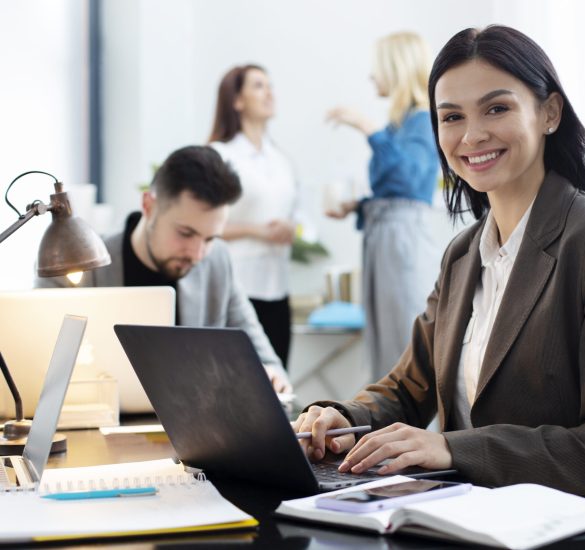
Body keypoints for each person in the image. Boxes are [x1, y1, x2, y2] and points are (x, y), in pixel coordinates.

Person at [295, 25, 585, 548]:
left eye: (496, 109)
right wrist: (340, 418)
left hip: (579, 533)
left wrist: (454, 449)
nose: (471, 135)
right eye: (452, 117)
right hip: (466, 526)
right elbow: (408, 389)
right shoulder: (463, 253)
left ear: (550, 113)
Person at [36, 145, 291, 392]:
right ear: (148, 205)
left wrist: (269, 375)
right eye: (185, 233)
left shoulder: (217, 263)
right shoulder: (76, 264)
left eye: (210, 238)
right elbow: (40, 368)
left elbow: (267, 359)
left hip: (195, 431)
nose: (198, 253)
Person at [325, 31, 440, 380]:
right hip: (384, 235)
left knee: (403, 340)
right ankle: (386, 428)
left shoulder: (422, 119)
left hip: (401, 239)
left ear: (396, 68)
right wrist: (357, 207)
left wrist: (367, 128)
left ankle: (412, 431)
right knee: (383, 342)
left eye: (377, 68)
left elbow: (408, 180)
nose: (372, 76)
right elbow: (396, 190)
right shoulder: (399, 124)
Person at [208, 65, 298, 369]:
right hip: (240, 287)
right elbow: (204, 224)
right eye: (259, 86)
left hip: (279, 289)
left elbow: (296, 215)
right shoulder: (221, 155)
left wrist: (290, 228)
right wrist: (257, 230)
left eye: (270, 85)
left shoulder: (281, 158)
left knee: (278, 385)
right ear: (237, 100)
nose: (270, 92)